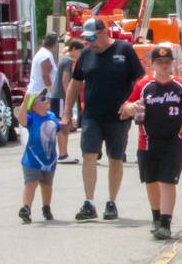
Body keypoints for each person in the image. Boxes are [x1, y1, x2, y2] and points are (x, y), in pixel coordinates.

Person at [63, 18, 146, 222]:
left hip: (118, 116)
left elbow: (139, 82)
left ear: (103, 32)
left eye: (92, 38)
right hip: (91, 115)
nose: (90, 43)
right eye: (86, 39)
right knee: (89, 155)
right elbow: (75, 85)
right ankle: (89, 203)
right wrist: (66, 113)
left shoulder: (124, 50)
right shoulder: (85, 54)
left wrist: (133, 106)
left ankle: (111, 202)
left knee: (115, 157)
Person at [120, 45, 182, 240]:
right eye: (160, 63)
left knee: (167, 181)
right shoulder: (144, 85)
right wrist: (132, 107)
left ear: (172, 64)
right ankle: (156, 217)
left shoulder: (181, 86)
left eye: (167, 63)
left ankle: (165, 223)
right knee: (151, 181)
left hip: (174, 140)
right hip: (147, 141)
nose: (164, 67)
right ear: (153, 64)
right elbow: (125, 108)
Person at [17, 87, 60, 223]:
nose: (46, 99)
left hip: (49, 159)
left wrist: (66, 124)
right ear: (34, 106)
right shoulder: (31, 118)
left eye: (46, 98)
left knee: (47, 185)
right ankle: (26, 208)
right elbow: (22, 120)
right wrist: (25, 102)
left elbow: (59, 128)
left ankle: (46, 207)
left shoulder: (52, 116)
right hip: (32, 158)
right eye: (42, 99)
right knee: (31, 183)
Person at [51, 37, 84, 163]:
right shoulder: (68, 61)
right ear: (74, 49)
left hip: (58, 96)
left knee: (63, 125)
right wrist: (68, 99)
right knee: (62, 125)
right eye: (80, 51)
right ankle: (63, 154)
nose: (80, 54)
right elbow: (65, 81)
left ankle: (63, 153)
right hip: (60, 97)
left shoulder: (64, 59)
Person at [28, 32, 58, 96]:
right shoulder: (45, 55)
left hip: (40, 94)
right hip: (41, 95)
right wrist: (52, 93)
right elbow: (46, 76)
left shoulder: (44, 53)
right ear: (55, 43)